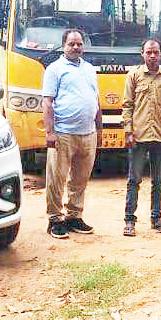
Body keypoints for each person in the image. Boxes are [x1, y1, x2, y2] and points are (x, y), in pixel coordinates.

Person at [41, 28, 102, 239]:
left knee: (80, 179)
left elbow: (96, 101)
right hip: (63, 134)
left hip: (88, 134)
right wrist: (49, 132)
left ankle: (74, 216)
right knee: (56, 179)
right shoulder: (54, 70)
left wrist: (99, 129)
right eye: (71, 44)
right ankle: (55, 219)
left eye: (79, 44)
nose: (76, 47)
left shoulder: (90, 69)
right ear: (64, 46)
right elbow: (47, 102)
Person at [121, 38, 161, 236]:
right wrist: (128, 131)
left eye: (156, 52)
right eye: (149, 52)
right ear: (142, 54)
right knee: (134, 179)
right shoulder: (134, 76)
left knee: (159, 181)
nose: (152, 55)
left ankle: (156, 219)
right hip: (138, 136)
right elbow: (127, 105)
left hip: (160, 136)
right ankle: (129, 220)